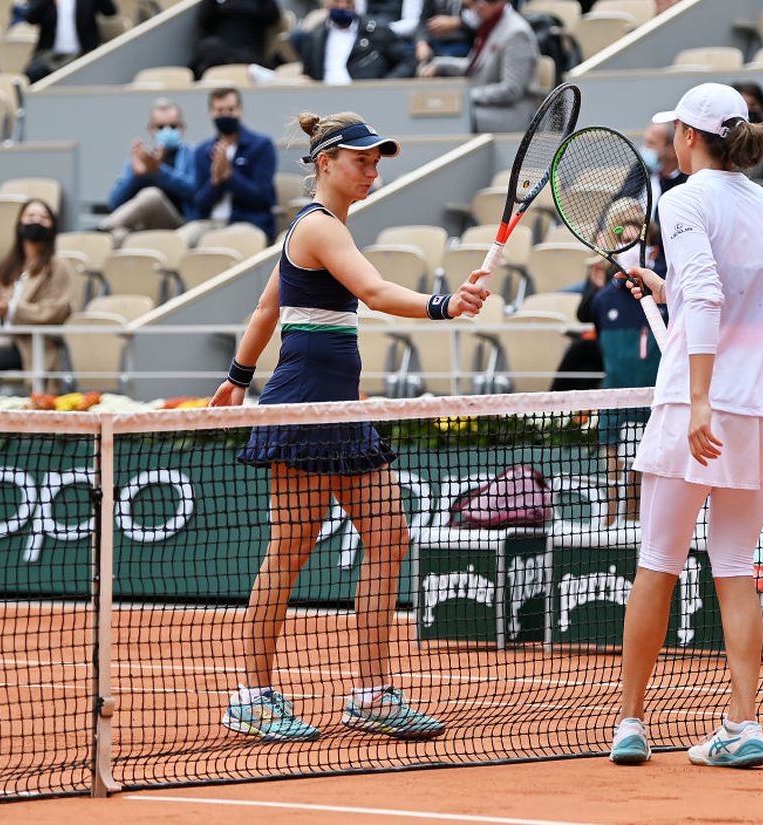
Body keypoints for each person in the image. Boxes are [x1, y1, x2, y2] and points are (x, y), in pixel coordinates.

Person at [211, 110, 490, 742]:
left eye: (376, 161)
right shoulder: (318, 228)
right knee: (291, 548)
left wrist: (237, 374)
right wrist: (443, 305)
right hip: (307, 407)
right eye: (361, 160)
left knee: (388, 536)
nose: (371, 170)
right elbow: (374, 292)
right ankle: (251, 694)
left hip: (343, 408)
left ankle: (371, 693)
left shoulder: (326, 228)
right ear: (326, 162)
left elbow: (266, 307)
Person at [611, 83, 763, 768]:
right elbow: (728, 294)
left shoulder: (683, 199)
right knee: (737, 567)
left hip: (704, 406)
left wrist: (696, 402)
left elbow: (713, 294)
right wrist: (667, 292)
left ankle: (630, 720)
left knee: (656, 564)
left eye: (674, 133)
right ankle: (744, 724)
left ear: (689, 137)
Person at [581, 199, 661, 526]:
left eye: (634, 232)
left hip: (656, 398)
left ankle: (637, 534)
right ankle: (611, 530)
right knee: (613, 476)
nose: (626, 239)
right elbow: (586, 316)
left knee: (642, 482)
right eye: (619, 233)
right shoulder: (603, 299)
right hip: (615, 397)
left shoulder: (663, 290)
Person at [0, 199, 72, 390]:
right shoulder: (7, 265)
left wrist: (12, 309)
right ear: (20, 224)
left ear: (53, 226)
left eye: (43, 217)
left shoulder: (58, 266)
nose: (36, 221)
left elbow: (56, 310)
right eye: (30, 216)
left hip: (31, 344)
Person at [418, 0, 540, 134]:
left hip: (510, 114)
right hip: (485, 106)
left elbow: (511, 90)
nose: (475, 8)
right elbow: (475, 65)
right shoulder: (490, 24)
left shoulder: (516, 33)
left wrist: (465, 95)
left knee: (445, 116)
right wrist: (439, 65)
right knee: (434, 109)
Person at [99, 99, 199, 245]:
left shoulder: (193, 154)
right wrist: (137, 176)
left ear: (182, 128)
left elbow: (195, 192)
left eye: (172, 126)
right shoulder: (142, 158)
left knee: (152, 195)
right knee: (116, 236)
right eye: (160, 127)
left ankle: (100, 229)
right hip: (142, 226)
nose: (166, 131)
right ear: (151, 129)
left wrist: (158, 171)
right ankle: (98, 238)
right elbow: (114, 203)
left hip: (179, 224)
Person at [190, 87, 278, 244]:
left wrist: (229, 175)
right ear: (211, 112)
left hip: (248, 222)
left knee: (219, 243)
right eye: (219, 110)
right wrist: (215, 180)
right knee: (180, 241)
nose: (225, 115)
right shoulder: (202, 151)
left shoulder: (261, 145)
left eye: (230, 109)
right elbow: (200, 204)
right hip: (210, 223)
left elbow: (262, 198)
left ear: (240, 111)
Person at [297, 0, 418, 83]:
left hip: (366, 99)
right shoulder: (314, 37)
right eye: (337, 1)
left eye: (348, 2)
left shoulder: (376, 30)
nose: (343, 6)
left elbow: (408, 60)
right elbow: (308, 74)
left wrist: (385, 85)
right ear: (326, 4)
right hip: (326, 102)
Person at [21, 0, 118, 82]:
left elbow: (110, 11)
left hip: (83, 52)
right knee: (33, 73)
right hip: (50, 54)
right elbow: (30, 18)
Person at [640, 120, 687, 277]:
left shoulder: (686, 185)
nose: (644, 149)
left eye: (651, 144)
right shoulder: (640, 170)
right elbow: (617, 203)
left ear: (672, 149)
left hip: (664, 268)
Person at [189, 0, 281, 80]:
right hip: (219, 48)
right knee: (206, 54)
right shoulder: (217, 3)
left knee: (209, 48)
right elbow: (203, 21)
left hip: (248, 50)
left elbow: (273, 17)